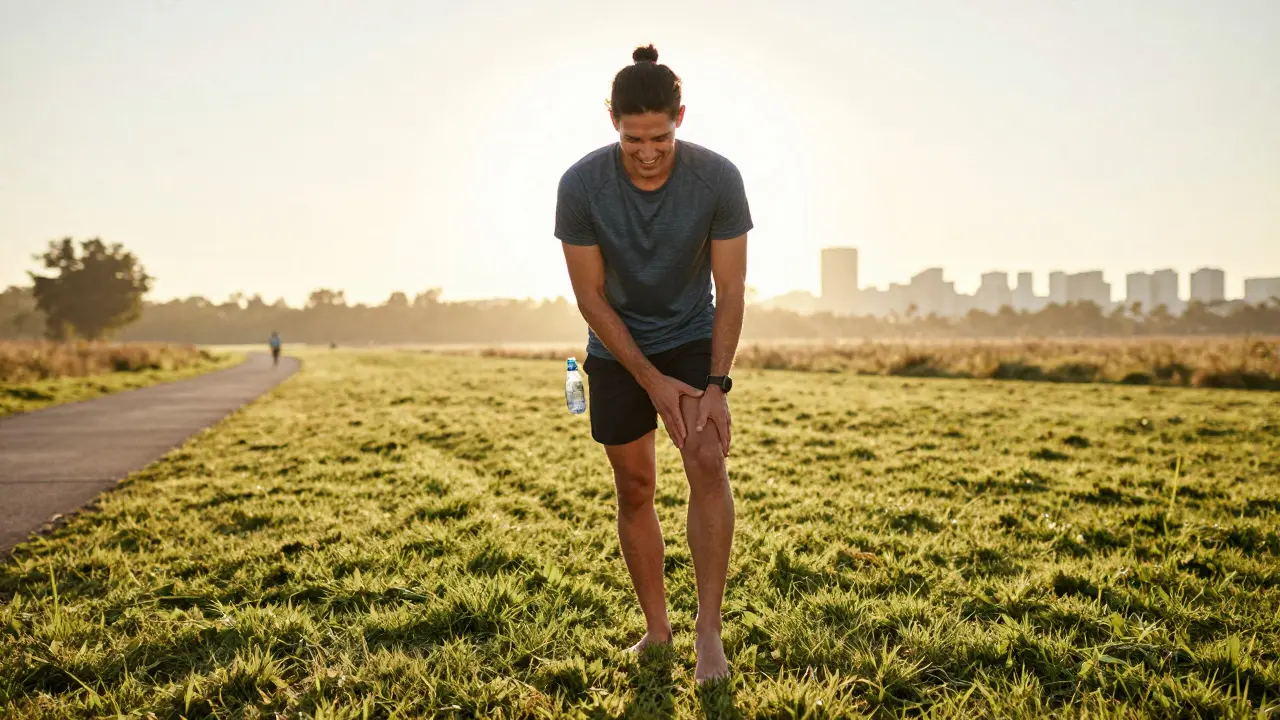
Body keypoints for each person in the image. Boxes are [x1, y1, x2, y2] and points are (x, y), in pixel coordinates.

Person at [555, 44, 751, 684]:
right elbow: (590, 296)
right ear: (611, 119)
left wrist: (715, 385)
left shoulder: (717, 179)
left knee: (705, 460)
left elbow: (732, 289)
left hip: (692, 336)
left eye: (660, 137)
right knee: (635, 486)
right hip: (616, 347)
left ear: (681, 118)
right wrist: (649, 380)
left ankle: (708, 634)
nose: (647, 151)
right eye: (633, 137)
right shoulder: (581, 185)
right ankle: (658, 629)